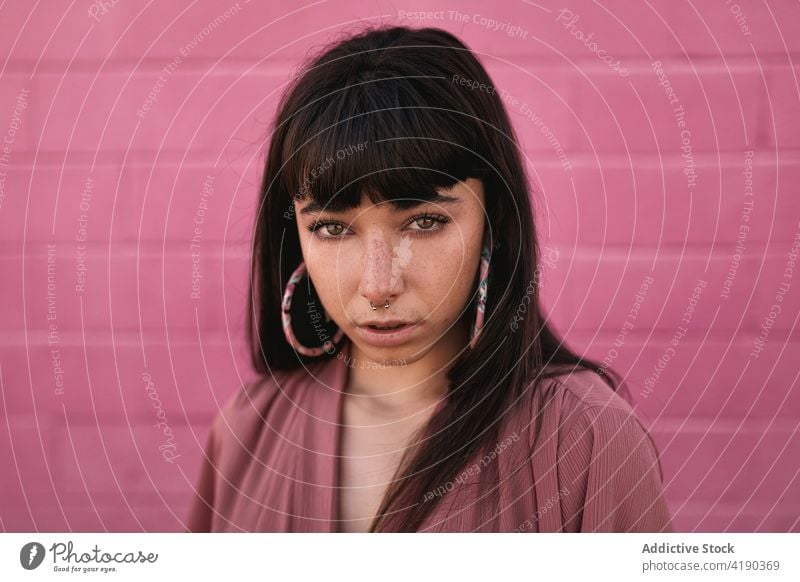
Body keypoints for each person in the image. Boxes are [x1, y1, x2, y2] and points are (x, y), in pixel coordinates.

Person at [186, 24, 673, 533]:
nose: (378, 287)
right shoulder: (247, 433)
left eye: (424, 222)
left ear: (493, 221)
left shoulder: (586, 441)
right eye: (332, 229)